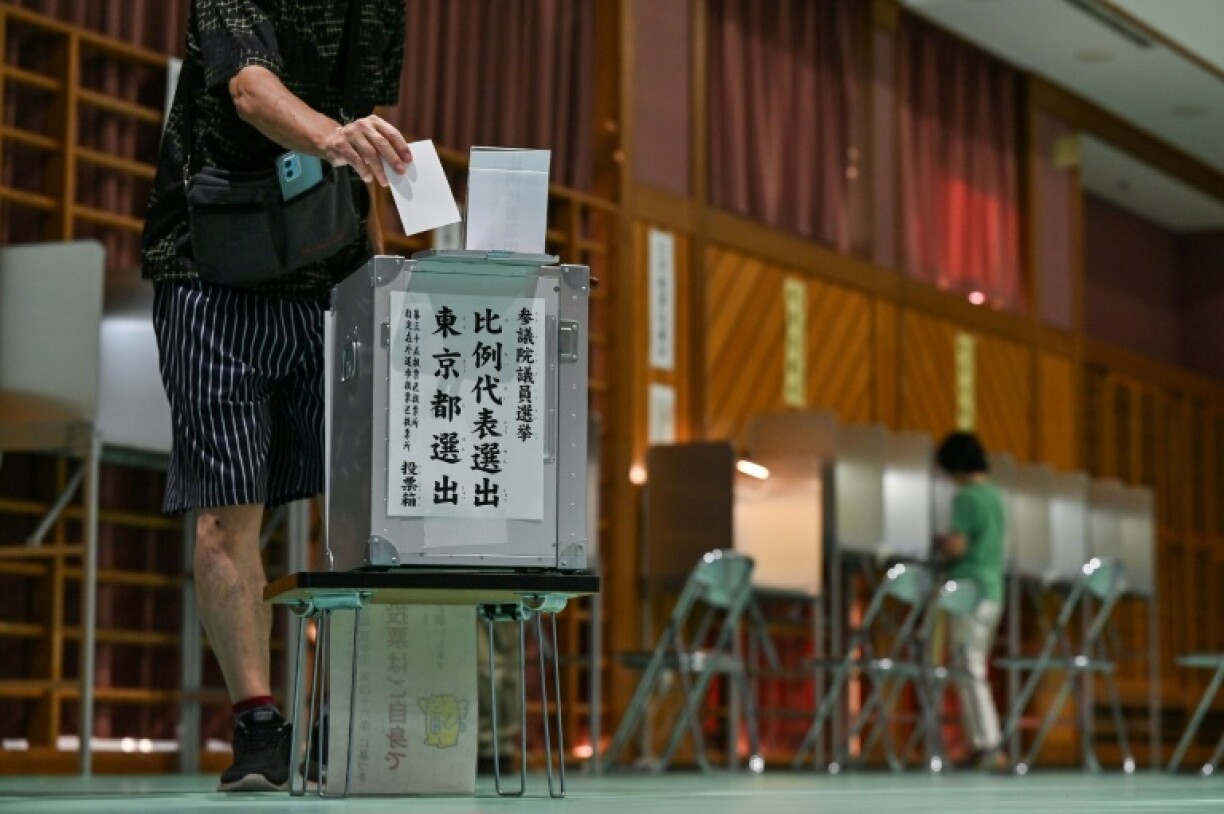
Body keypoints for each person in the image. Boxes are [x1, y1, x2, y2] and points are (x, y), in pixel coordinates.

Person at [141, 0, 411, 792]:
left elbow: (368, 127)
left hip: (325, 270)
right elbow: (251, 91)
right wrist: (331, 138)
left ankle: (342, 720)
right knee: (228, 512)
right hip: (210, 270)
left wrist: (381, 275)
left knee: (362, 511)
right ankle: (259, 723)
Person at [934, 431, 1006, 771]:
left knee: (969, 668)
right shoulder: (995, 496)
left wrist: (941, 545)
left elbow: (959, 546)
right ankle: (984, 743)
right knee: (974, 665)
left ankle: (988, 744)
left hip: (969, 590)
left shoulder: (966, 497)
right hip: (993, 589)